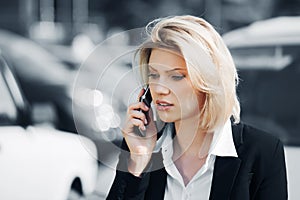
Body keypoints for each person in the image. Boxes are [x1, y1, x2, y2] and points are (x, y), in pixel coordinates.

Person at [106, 15, 287, 200]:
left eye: (176, 76)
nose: (159, 89)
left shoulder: (262, 152)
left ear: (208, 80)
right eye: (154, 75)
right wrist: (138, 164)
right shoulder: (142, 147)